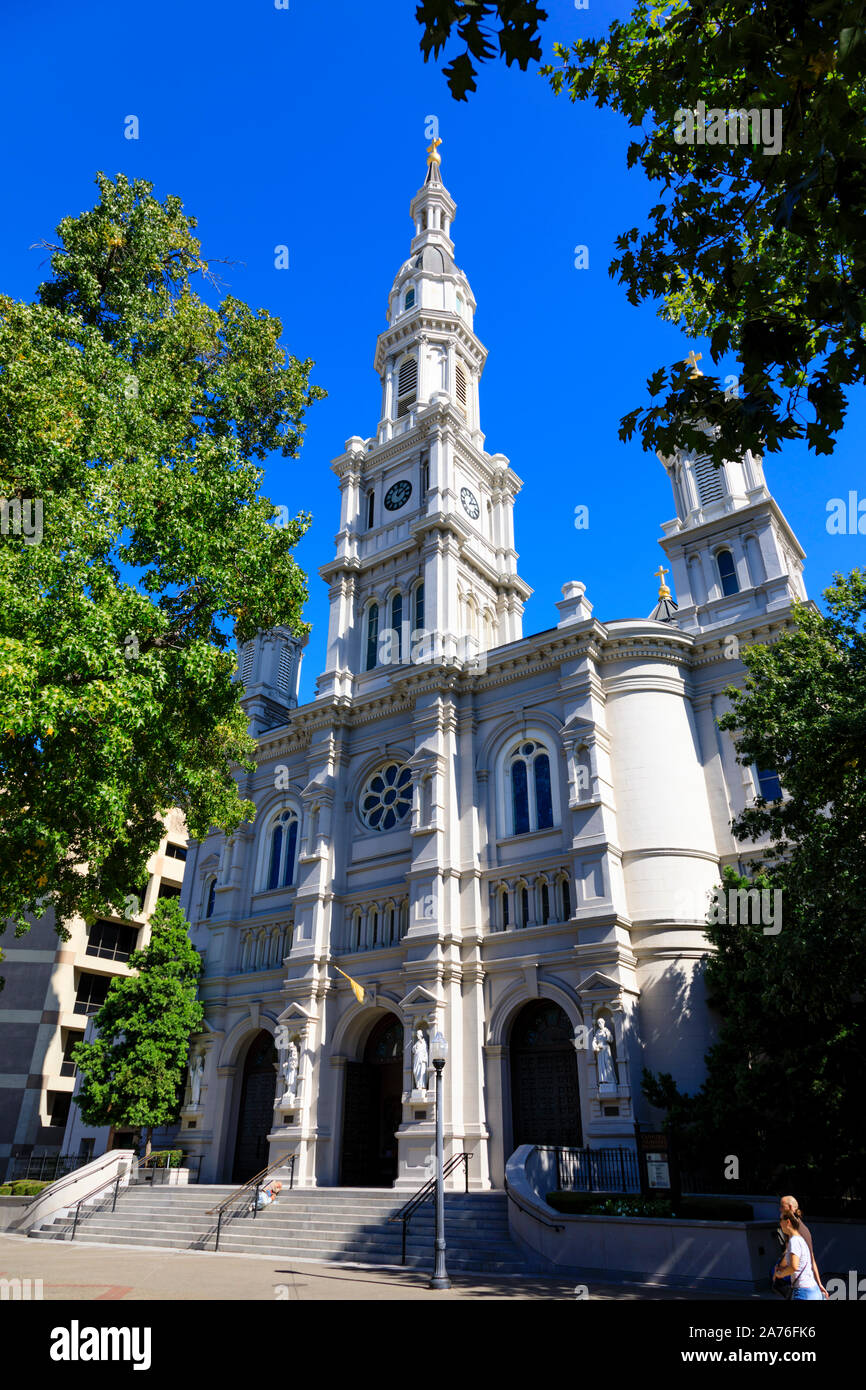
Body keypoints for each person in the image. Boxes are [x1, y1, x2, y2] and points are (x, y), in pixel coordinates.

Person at [778, 1195, 828, 1298]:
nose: (780, 1209)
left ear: (791, 1207)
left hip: (803, 1290)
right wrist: (818, 1284)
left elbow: (795, 1265)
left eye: (782, 1206)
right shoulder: (801, 1231)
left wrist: (780, 1274)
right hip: (811, 1288)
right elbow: (810, 1258)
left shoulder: (796, 1236)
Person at [774, 1212, 823, 1300]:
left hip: (803, 1292)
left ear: (788, 1222)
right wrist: (780, 1267)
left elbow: (794, 1267)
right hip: (813, 1290)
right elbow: (789, 1262)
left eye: (781, 1220)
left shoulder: (794, 1241)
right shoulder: (801, 1240)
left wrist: (780, 1274)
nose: (780, 1223)